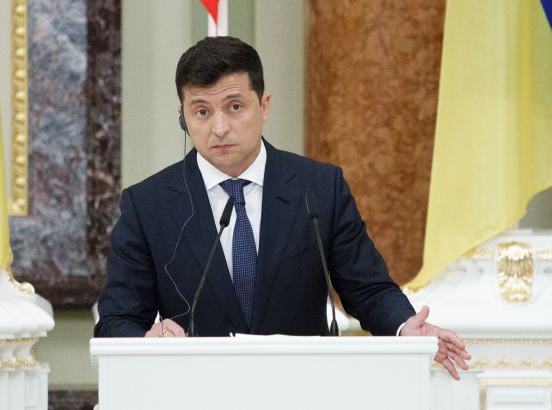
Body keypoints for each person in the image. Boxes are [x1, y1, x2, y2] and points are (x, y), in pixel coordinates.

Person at [94, 36, 470, 379]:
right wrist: (149, 339)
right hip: (197, 389)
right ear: (183, 117)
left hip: (303, 387)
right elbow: (116, 321)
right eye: (202, 112)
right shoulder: (148, 205)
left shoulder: (319, 188)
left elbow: (368, 290)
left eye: (234, 107)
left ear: (264, 106)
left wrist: (405, 327)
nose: (219, 128)